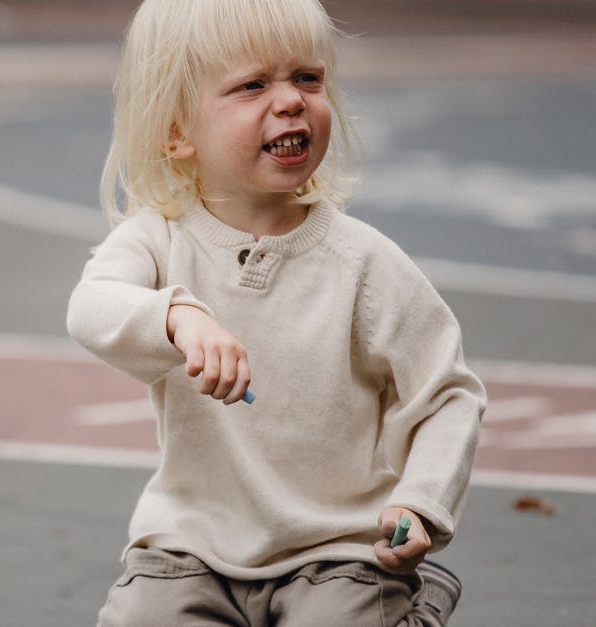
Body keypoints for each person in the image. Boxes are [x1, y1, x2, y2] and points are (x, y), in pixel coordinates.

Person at [66, 0, 487, 624]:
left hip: (338, 548)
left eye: (308, 79)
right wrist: (179, 317)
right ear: (177, 130)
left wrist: (422, 502)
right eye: (253, 85)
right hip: (193, 546)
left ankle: (409, 606)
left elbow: (447, 394)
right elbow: (92, 307)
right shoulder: (160, 240)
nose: (291, 100)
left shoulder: (363, 263)